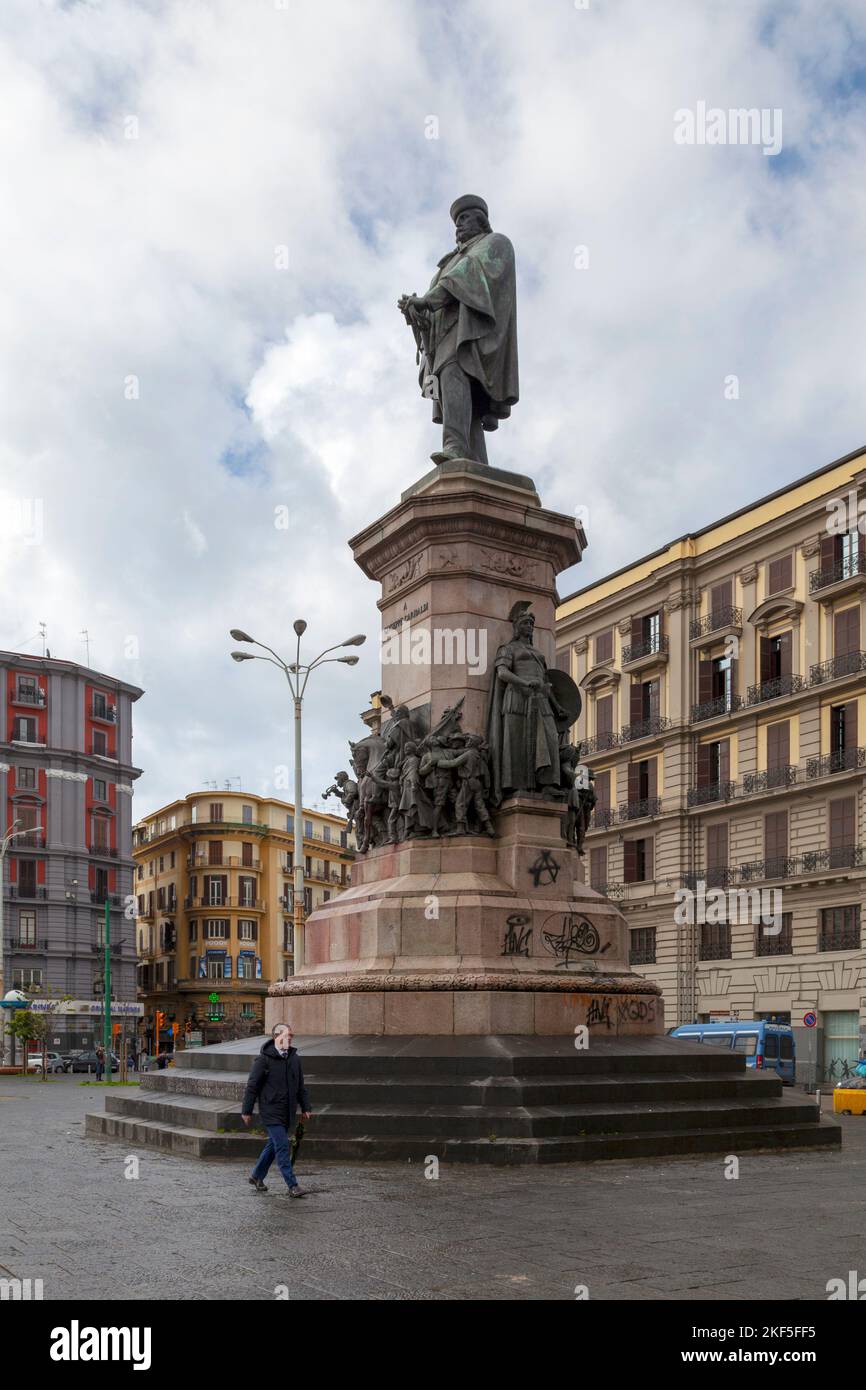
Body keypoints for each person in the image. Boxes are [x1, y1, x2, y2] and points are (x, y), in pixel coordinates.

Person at [242, 1023, 312, 1198]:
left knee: (273, 1145)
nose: (289, 1038)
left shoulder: (294, 1058)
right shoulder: (263, 1059)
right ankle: (292, 1185)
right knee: (282, 1146)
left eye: (291, 1036)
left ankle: (257, 1175)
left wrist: (306, 1107)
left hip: (288, 1111)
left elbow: (300, 1086)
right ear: (276, 1037)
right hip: (270, 1110)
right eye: (286, 1035)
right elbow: (252, 1086)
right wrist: (247, 1110)